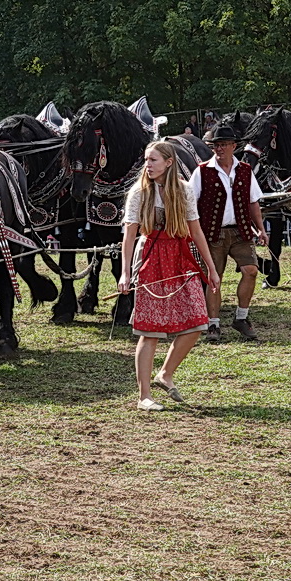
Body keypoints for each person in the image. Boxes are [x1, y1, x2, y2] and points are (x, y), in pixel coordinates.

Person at [117, 141, 218, 411]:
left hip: (180, 257)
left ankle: (166, 373)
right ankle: (144, 396)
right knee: (149, 331)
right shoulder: (139, 192)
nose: (148, 165)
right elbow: (129, 237)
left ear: (168, 162)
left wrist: (211, 267)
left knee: (197, 321)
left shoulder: (184, 191)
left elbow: (196, 231)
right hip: (151, 258)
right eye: (147, 160)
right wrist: (125, 273)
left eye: (153, 160)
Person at [192, 122, 265, 342]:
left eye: (224, 144)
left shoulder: (245, 170)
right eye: (216, 145)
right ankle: (213, 325)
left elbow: (253, 202)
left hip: (241, 230)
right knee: (215, 279)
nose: (219, 149)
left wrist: (260, 229)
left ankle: (241, 317)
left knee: (251, 270)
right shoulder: (202, 171)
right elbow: (191, 204)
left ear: (234, 146)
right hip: (212, 233)